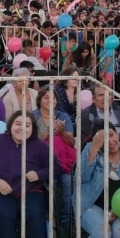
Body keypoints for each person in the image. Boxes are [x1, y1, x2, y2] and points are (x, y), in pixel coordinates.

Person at [32, 87, 75, 227]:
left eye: (53, 98)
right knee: (52, 183)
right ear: (39, 100)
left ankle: (66, 221)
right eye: (46, 97)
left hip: (63, 162)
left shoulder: (63, 117)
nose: (50, 100)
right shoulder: (33, 117)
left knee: (69, 182)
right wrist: (50, 129)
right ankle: (51, 218)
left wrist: (62, 132)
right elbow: (32, 142)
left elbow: (72, 142)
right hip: (41, 163)